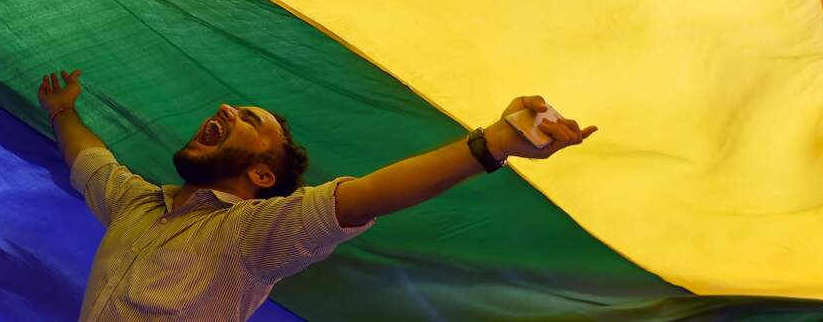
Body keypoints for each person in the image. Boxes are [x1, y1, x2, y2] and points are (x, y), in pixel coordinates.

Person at [38, 68, 597, 321]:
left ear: (261, 176)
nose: (225, 110)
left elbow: (370, 195)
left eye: (248, 119)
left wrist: (497, 140)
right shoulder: (135, 204)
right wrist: (64, 113)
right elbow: (91, 160)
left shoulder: (253, 234)